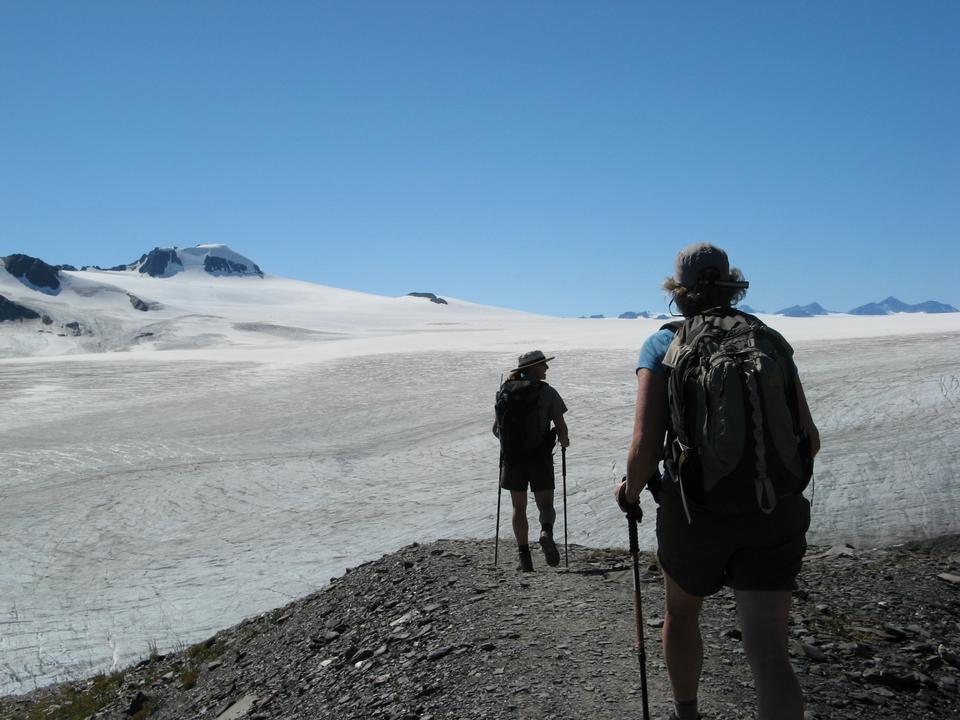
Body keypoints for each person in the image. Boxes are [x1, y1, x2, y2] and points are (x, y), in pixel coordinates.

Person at [615, 243, 820, 720]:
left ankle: (687, 713)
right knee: (770, 650)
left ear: (679, 292)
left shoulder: (664, 343)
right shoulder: (769, 340)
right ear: (732, 284)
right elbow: (809, 438)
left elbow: (646, 444)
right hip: (775, 512)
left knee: (682, 613)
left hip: (696, 513)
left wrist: (630, 490)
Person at [493, 350, 570, 572]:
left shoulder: (504, 392)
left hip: (513, 459)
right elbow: (561, 427)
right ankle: (546, 531)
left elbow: (496, 429)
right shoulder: (547, 392)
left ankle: (524, 557)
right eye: (543, 365)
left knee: (519, 507)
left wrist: (509, 444)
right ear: (533, 368)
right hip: (539, 458)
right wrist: (564, 443)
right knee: (545, 505)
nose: (546, 368)